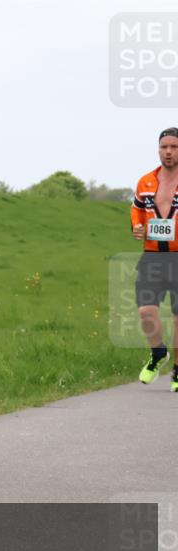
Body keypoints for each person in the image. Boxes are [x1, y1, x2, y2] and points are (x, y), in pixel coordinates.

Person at [131, 127, 178, 392]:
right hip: (152, 258)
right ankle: (158, 353)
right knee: (146, 311)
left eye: (174, 147)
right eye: (164, 147)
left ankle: (177, 371)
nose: (168, 152)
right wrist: (136, 227)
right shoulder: (146, 181)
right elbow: (136, 210)